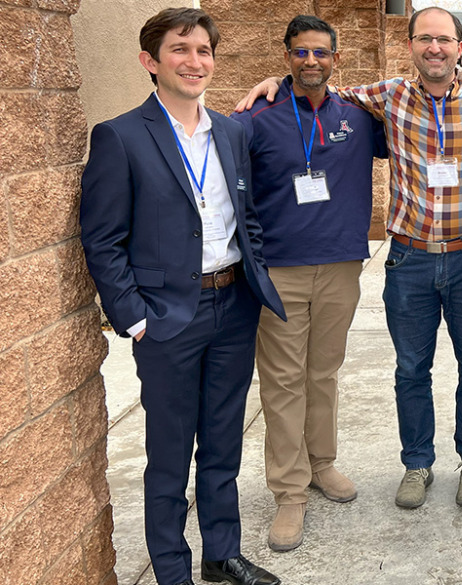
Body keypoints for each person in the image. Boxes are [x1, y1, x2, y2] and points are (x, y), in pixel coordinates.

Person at [234, 6, 462, 511]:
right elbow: (312, 89)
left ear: (460, 47)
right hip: (402, 260)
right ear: (412, 45)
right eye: (425, 39)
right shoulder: (387, 97)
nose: (435, 48)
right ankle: (404, 466)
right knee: (406, 370)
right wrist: (273, 81)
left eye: (444, 39)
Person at [79, 8, 285, 585]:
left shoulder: (233, 130)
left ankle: (222, 554)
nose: (195, 61)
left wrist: (254, 275)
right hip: (167, 319)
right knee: (169, 453)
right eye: (180, 49)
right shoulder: (120, 136)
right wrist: (134, 319)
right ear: (151, 61)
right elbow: (102, 239)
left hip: (233, 307)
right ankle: (172, 569)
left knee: (223, 443)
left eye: (203, 51)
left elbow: (248, 217)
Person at [229, 15, 388, 552]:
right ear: (287, 57)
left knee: (323, 373)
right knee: (282, 381)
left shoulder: (361, 118)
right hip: (280, 270)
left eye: (320, 52)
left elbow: (423, 112)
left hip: (342, 265)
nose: (311, 61)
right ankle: (289, 491)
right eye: (300, 53)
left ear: (335, 58)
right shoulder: (256, 118)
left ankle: (322, 464)